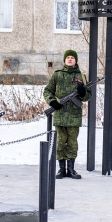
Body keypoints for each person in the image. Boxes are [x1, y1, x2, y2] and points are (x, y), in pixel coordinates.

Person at [43, 50, 91, 179]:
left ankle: (71, 169)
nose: (70, 59)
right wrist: (52, 102)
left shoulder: (81, 76)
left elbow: (87, 96)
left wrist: (82, 93)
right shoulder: (57, 75)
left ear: (75, 60)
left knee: (72, 143)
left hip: (74, 115)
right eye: (68, 57)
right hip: (60, 114)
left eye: (72, 58)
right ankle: (61, 169)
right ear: (65, 60)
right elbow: (48, 91)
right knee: (60, 142)